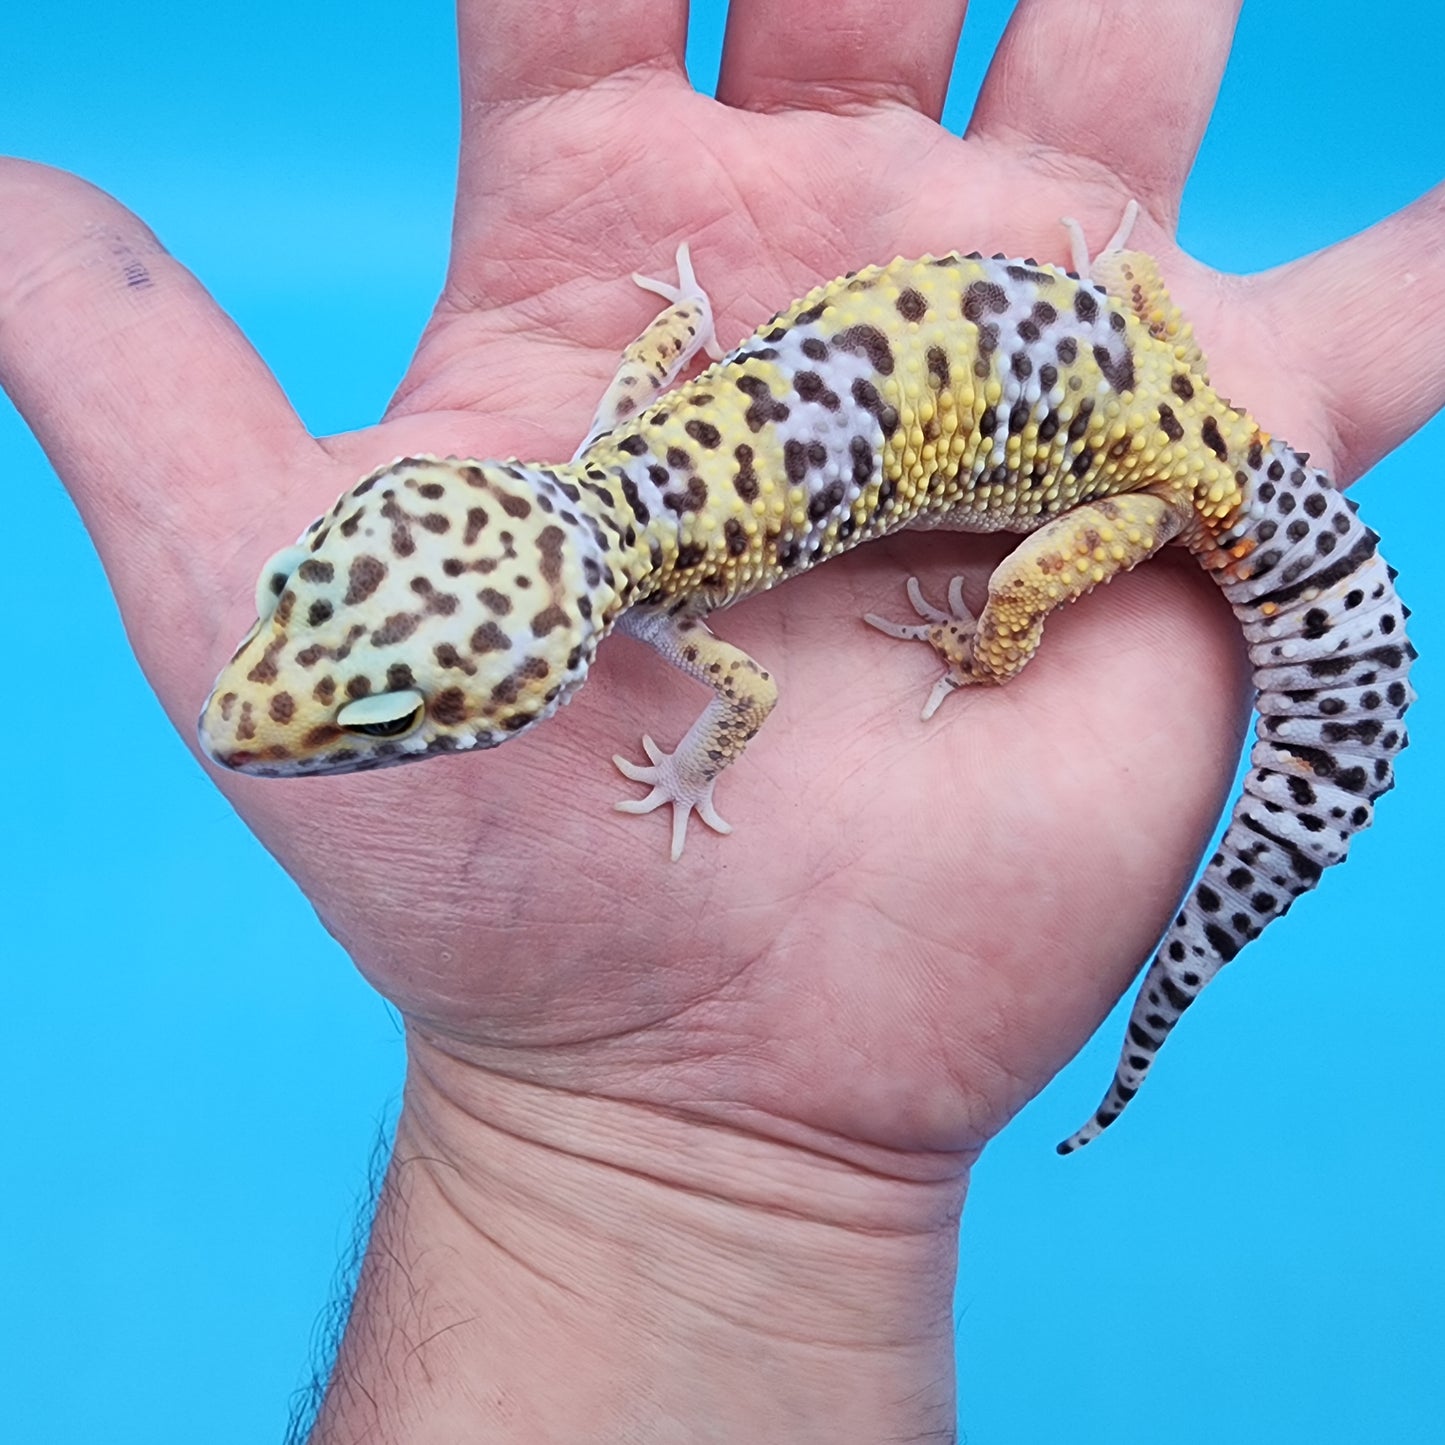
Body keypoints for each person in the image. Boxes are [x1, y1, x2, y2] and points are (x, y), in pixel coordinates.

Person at [2, 2, 1440, 1439]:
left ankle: (994, 640)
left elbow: (740, 691)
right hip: (1117, 350)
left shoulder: (661, 582)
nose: (254, 704)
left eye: (389, 698)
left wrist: (968, 651)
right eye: (315, 604)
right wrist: (684, 317)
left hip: (1144, 467)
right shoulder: (617, 463)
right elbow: (658, 359)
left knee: (1012, 591)